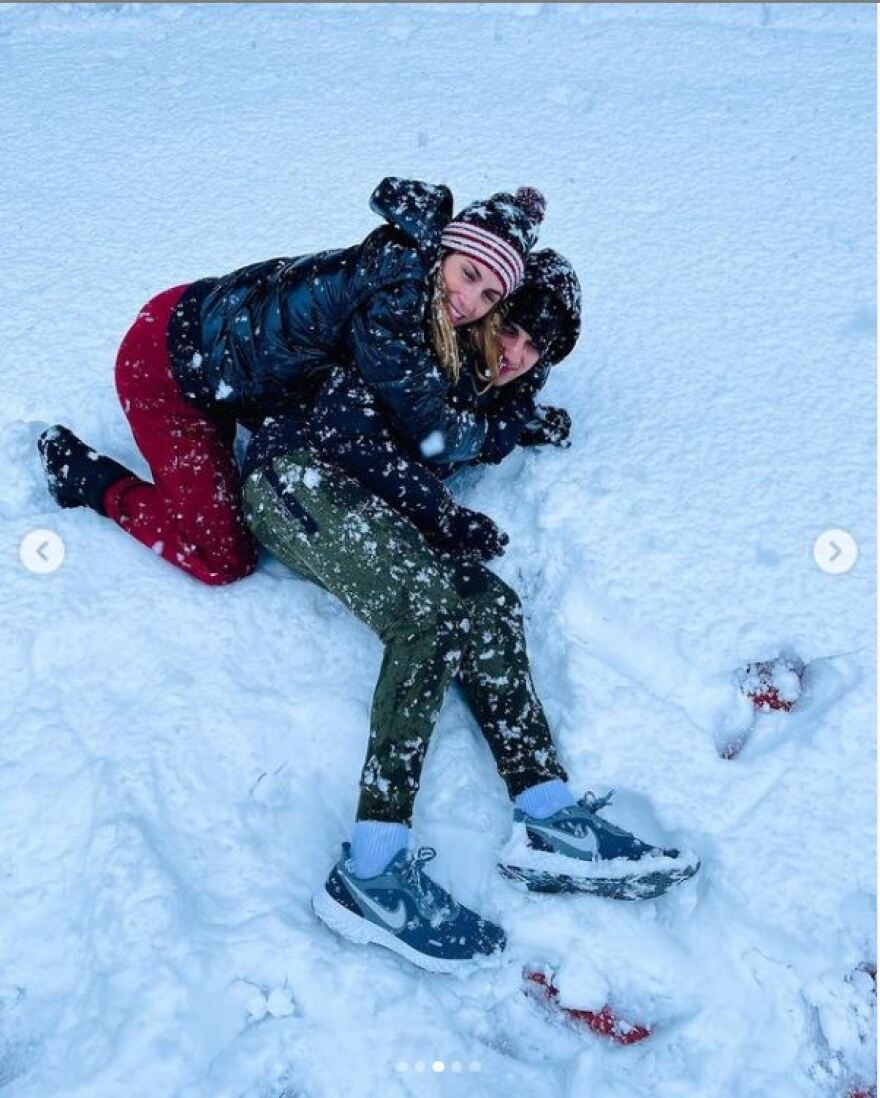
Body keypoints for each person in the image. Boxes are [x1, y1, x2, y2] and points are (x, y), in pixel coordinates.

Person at [240, 250, 700, 973]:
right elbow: (348, 433)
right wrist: (446, 514)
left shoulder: (482, 396)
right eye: (511, 330)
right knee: (425, 611)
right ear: (483, 312)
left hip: (370, 507)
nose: (516, 353)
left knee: (488, 602)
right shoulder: (417, 341)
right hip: (294, 477)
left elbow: (462, 431)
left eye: (535, 348)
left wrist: (521, 426)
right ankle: (373, 869)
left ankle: (549, 815)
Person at [36, 178, 545, 586]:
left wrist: (518, 408)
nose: (469, 300)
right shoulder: (396, 300)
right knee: (222, 558)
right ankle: (88, 480)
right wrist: (486, 449)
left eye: (489, 295)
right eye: (469, 273)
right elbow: (428, 429)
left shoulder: (414, 279)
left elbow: (426, 394)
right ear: (446, 251)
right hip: (165, 367)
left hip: (207, 331)